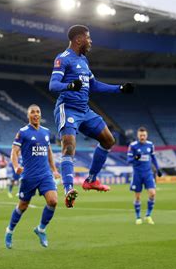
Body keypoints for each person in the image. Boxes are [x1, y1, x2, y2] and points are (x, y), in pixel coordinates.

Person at [49, 24, 134, 208]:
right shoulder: (63, 59)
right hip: (68, 108)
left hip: (84, 110)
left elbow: (94, 85)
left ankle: (91, 180)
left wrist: (119, 89)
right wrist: (69, 86)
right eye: (88, 38)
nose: (90, 41)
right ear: (78, 39)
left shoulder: (84, 61)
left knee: (108, 140)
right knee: (69, 145)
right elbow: (53, 85)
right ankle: (69, 189)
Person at [5, 104, 61, 249]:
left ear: (40, 114)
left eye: (38, 112)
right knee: (23, 205)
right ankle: (9, 231)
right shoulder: (23, 132)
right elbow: (14, 152)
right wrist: (16, 166)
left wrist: (54, 169)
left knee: (53, 201)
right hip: (29, 176)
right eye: (33, 112)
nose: (36, 114)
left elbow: (48, 152)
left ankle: (41, 229)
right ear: (28, 115)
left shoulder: (46, 132)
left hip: (45, 175)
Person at [127, 127, 162, 225]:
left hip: (148, 173)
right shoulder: (133, 146)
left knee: (152, 193)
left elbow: (153, 158)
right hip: (137, 174)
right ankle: (138, 217)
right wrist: (136, 157)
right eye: (140, 135)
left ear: (147, 135)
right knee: (137, 196)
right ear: (138, 136)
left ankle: (148, 215)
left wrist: (158, 169)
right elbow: (128, 160)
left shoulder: (150, 145)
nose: (142, 137)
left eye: (144, 135)